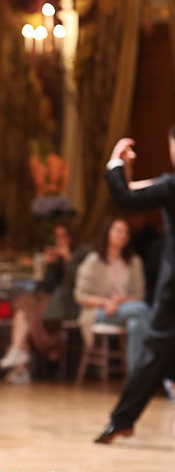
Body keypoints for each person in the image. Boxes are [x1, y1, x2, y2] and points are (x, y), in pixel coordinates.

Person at [95, 134, 175, 443]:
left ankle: (122, 420)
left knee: (154, 350)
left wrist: (116, 162)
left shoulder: (171, 184)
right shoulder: (169, 184)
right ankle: (122, 420)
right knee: (155, 350)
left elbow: (127, 198)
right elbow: (136, 192)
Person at [0, 223, 89, 384]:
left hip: (70, 303)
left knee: (27, 308)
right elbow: (45, 287)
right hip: (51, 301)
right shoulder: (57, 255)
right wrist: (50, 265)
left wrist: (68, 259)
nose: (60, 240)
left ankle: (19, 358)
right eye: (57, 236)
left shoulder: (84, 253)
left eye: (63, 236)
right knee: (24, 305)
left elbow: (81, 284)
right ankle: (18, 356)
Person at [74, 217, 149, 374]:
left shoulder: (134, 262)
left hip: (127, 309)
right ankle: (149, 371)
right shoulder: (94, 260)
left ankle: (135, 376)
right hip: (99, 311)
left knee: (136, 325)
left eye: (126, 232)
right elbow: (80, 295)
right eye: (119, 231)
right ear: (107, 233)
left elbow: (139, 294)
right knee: (142, 309)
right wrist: (106, 302)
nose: (123, 235)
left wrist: (119, 301)